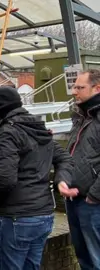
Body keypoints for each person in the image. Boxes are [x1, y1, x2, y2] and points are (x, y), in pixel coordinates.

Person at [0, 86, 77, 270]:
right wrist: (62, 180)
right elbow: (65, 158)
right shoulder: (37, 129)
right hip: (43, 216)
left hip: (15, 218)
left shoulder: (5, 134)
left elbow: (4, 177)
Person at [66, 69, 100, 269]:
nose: (74, 91)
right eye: (74, 86)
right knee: (84, 257)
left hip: (93, 202)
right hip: (74, 197)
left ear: (97, 88)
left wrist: (94, 195)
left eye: (80, 87)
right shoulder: (80, 116)